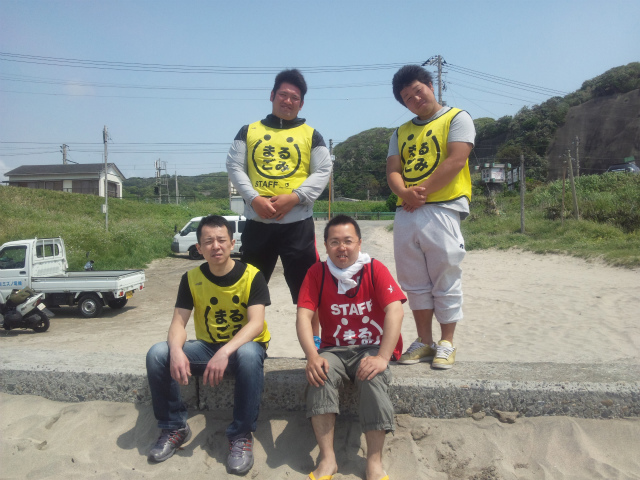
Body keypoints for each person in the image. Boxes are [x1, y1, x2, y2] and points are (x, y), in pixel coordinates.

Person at [146, 215, 271, 475]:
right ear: (199, 247)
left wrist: (225, 351)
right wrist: (176, 351)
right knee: (158, 354)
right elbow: (178, 323)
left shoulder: (252, 276)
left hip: (244, 349)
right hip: (207, 348)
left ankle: (241, 435)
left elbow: (256, 324)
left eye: (221, 240)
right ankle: (174, 427)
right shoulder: (191, 278)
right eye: (208, 241)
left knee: (249, 355)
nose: (216, 246)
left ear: (232, 243)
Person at [226, 68, 332, 342]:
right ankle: (248, 345)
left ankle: (315, 345)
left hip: (298, 226)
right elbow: (234, 166)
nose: (288, 101)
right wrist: (254, 199)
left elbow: (323, 171)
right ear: (272, 95)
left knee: (308, 290)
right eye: (283, 95)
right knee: (249, 289)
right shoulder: (248, 131)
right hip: (257, 223)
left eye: (294, 97)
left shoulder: (312, 135)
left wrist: (295, 197)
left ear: (302, 103)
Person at [296, 215, 405, 480]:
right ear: (325, 245)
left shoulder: (374, 268)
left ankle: (374, 461)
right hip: (333, 349)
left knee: (373, 377)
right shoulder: (317, 272)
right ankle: (328, 459)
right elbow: (303, 316)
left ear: (359, 243)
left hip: (370, 348)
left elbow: (395, 310)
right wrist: (312, 355)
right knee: (320, 375)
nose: (341, 248)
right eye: (334, 242)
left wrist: (383, 357)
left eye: (348, 241)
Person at [386, 65, 476, 369]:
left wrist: (419, 193)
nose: (415, 99)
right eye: (407, 98)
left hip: (443, 207)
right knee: (414, 281)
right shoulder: (400, 132)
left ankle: (447, 342)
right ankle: (424, 341)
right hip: (406, 212)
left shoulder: (457, 118)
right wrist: (404, 193)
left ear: (431, 85)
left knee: (445, 274)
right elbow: (393, 170)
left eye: (418, 91)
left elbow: (457, 159)